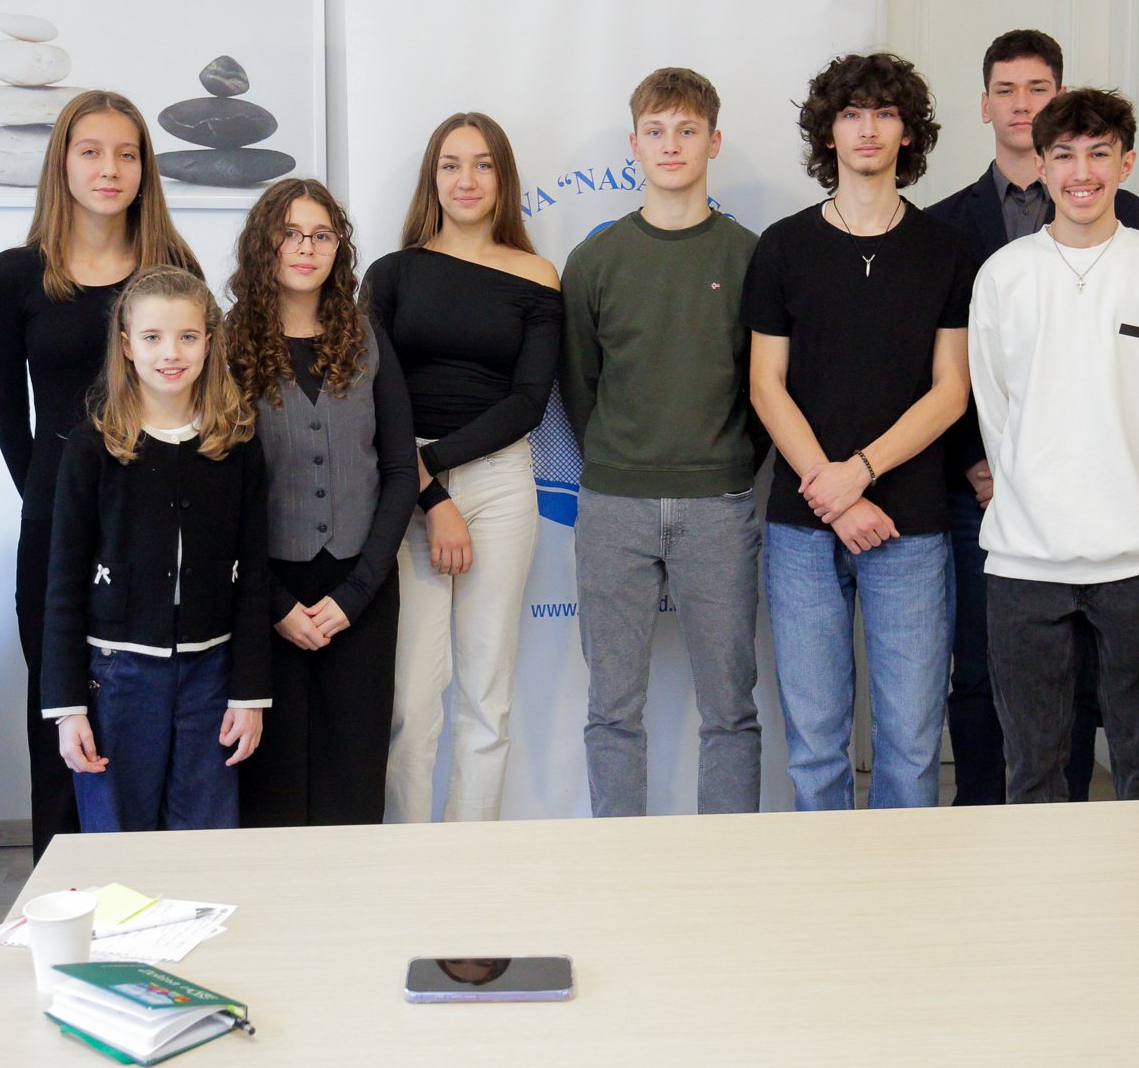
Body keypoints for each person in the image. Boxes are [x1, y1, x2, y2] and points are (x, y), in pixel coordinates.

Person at [925, 28, 1139, 806]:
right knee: (978, 666)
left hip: (1089, 491)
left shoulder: (1129, 212)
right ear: (984, 104)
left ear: (1060, 99)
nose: (1021, 103)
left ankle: (1069, 823)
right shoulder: (945, 222)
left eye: (1038, 88)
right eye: (1006, 89)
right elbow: (950, 363)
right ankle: (980, 817)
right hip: (979, 487)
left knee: (1079, 671)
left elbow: (1136, 360)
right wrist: (980, 460)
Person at [967, 86, 1139, 805]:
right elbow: (998, 415)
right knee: (1033, 771)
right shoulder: (1004, 275)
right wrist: (1033, 492)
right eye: (1065, 155)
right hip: (1024, 558)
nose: (1082, 173)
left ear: (1126, 164)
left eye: (1099, 154)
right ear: (1041, 166)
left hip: (1137, 558)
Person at [744, 52, 975, 811]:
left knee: (911, 741)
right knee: (815, 743)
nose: (867, 128)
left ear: (909, 132)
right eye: (851, 113)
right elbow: (765, 384)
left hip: (912, 524)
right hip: (803, 525)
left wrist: (860, 472)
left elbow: (951, 390)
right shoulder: (782, 246)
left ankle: (899, 886)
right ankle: (827, 883)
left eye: (884, 112)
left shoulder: (945, 249)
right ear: (828, 132)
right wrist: (835, 494)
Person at [0, 89, 202, 861]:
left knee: (153, 724)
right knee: (61, 718)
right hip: (55, 526)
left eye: (127, 153)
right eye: (91, 151)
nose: (109, 168)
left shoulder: (175, 271)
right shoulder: (15, 274)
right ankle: (62, 893)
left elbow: (196, 406)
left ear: (145, 168)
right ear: (63, 164)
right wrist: (59, 506)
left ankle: (154, 894)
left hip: (157, 530)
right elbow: (9, 420)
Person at [559, 67, 764, 818]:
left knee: (731, 710)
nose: (671, 145)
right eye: (656, 131)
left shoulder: (750, 256)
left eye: (686, 130)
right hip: (614, 504)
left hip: (720, 504)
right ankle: (621, 862)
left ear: (714, 141)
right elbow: (579, 384)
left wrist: (725, 461)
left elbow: (765, 387)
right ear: (634, 144)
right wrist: (622, 456)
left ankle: (724, 862)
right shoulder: (596, 260)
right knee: (612, 708)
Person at [366, 112, 562, 823]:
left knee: (487, 695)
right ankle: (408, 859)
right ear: (433, 177)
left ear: (503, 178)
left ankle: (469, 863)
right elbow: (373, 393)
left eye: (483, 164)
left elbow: (529, 402)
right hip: (405, 484)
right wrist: (428, 491)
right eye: (451, 164)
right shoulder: (391, 274)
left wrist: (434, 467)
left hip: (499, 482)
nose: (466, 179)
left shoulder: (537, 275)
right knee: (412, 700)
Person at [41, 266, 270, 832]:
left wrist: (250, 695)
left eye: (187, 336)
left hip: (212, 675)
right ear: (126, 345)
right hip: (117, 676)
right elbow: (63, 582)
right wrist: (68, 708)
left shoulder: (236, 442)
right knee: (118, 842)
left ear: (209, 343)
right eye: (152, 337)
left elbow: (254, 574)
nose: (171, 352)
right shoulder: (92, 445)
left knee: (206, 840)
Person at [225, 178, 418, 825]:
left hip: (360, 590)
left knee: (353, 778)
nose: (306, 248)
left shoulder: (367, 338)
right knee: (271, 783)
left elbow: (399, 470)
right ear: (264, 244)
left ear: (339, 247)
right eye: (290, 233)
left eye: (322, 234)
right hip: (263, 594)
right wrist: (276, 605)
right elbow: (216, 491)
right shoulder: (225, 344)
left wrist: (356, 594)